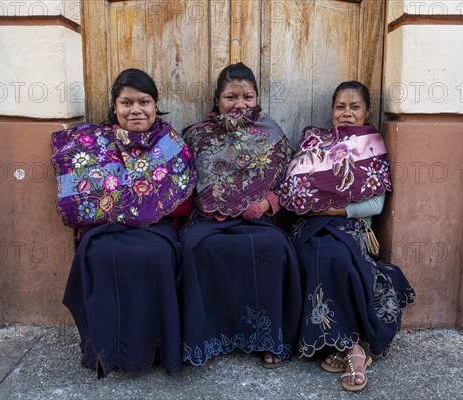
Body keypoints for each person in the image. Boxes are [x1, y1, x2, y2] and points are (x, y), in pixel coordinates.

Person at [51, 68, 196, 378]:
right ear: (114, 108)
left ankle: (157, 349)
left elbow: (182, 203)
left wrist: (133, 207)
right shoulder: (94, 145)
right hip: (105, 231)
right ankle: (107, 350)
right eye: (126, 103)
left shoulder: (170, 143)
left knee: (157, 256)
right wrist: (127, 208)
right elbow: (80, 197)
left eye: (143, 101)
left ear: (156, 105)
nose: (135, 110)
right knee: (98, 256)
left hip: (156, 230)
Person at [278, 81, 415, 391]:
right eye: (340, 106)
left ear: (366, 111)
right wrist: (319, 206)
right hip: (308, 226)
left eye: (355, 107)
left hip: (348, 226)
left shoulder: (372, 145)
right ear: (332, 111)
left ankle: (350, 344)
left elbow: (376, 204)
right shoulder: (315, 142)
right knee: (312, 254)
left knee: (336, 257)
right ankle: (344, 342)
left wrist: (333, 211)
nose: (347, 113)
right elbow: (294, 189)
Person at [179, 62, 302, 368]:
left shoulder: (272, 133)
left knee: (273, 248)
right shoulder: (197, 135)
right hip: (208, 221)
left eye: (247, 96)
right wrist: (202, 202)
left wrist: (265, 205)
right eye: (230, 97)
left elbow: (288, 183)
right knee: (195, 248)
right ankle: (205, 337)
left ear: (257, 98)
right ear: (217, 101)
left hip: (255, 219)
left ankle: (267, 338)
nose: (239, 104)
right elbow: (183, 181)